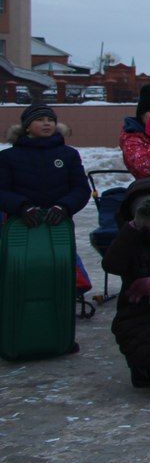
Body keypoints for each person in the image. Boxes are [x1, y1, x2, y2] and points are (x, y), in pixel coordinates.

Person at [0, 103, 92, 355]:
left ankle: (59, 334)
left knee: (60, 277)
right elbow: (2, 190)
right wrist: (22, 207)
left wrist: (63, 207)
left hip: (57, 228)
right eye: (39, 119)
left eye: (50, 119)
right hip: (21, 229)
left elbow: (81, 189)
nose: (46, 123)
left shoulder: (69, 154)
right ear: (26, 126)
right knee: (21, 277)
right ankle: (17, 333)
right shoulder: (9, 157)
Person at [103, 178, 150, 388]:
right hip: (138, 315)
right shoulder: (130, 236)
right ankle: (142, 368)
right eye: (145, 208)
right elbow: (112, 264)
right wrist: (134, 227)